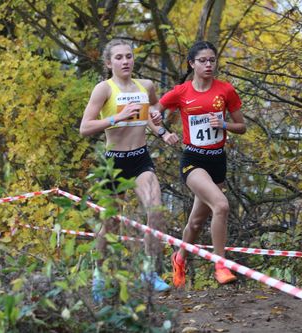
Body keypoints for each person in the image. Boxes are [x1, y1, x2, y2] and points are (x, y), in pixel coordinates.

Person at [79, 39, 178, 301]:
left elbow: (154, 111)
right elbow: (85, 127)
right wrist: (117, 118)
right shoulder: (104, 89)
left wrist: (161, 128)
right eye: (119, 57)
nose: (125, 61)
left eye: (129, 56)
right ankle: (100, 276)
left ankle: (149, 272)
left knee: (155, 211)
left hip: (140, 159)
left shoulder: (145, 86)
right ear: (109, 63)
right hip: (114, 163)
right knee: (110, 225)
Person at [154, 41, 246, 287]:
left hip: (217, 161)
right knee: (221, 205)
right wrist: (162, 130)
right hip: (193, 161)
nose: (208, 65)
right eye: (203, 61)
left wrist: (224, 125)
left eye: (212, 60)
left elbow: (242, 126)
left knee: (195, 223)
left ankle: (180, 257)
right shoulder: (181, 92)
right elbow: (153, 112)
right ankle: (221, 265)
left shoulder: (225, 90)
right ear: (191, 64)